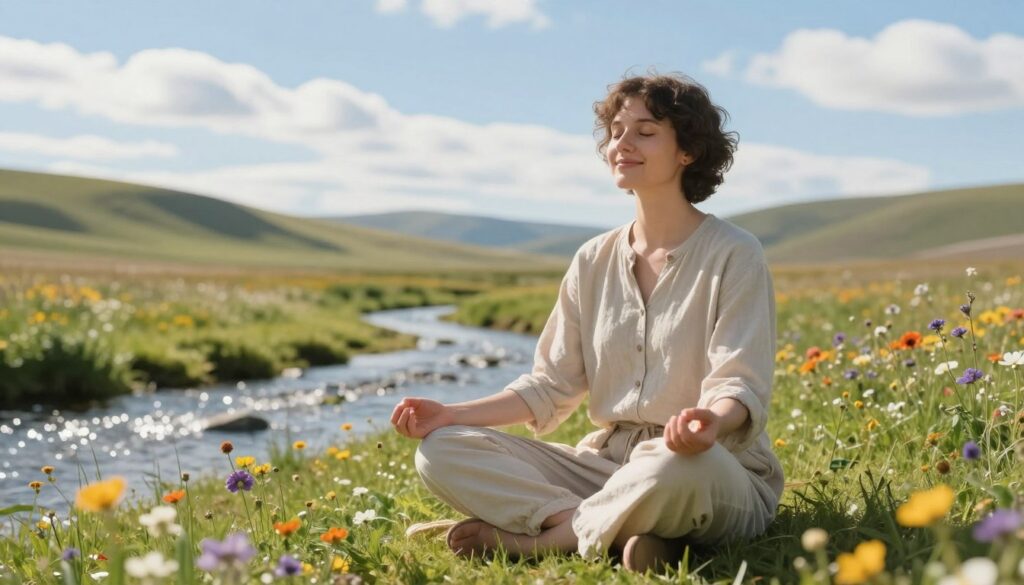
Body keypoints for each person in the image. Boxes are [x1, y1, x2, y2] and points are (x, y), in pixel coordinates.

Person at [390, 71, 784, 573]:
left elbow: (738, 379)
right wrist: (449, 414)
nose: (623, 144)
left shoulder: (735, 253)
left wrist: (710, 422)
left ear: (687, 151)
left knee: (667, 465)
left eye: (645, 132)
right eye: (617, 131)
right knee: (440, 451)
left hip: (706, 466)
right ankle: (625, 536)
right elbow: (550, 385)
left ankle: (537, 541)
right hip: (604, 468)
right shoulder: (592, 259)